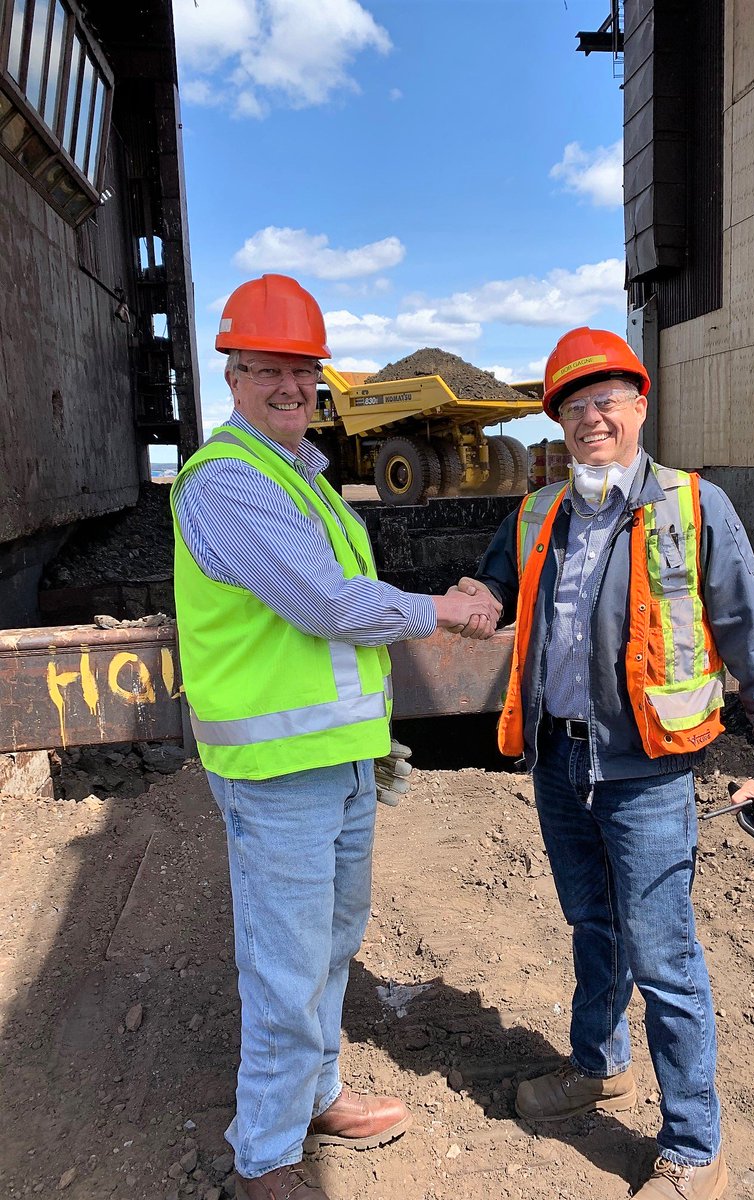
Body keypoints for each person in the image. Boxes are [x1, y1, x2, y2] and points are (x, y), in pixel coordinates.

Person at [457, 327, 754, 1200]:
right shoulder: (538, 513)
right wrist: (474, 595)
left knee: (665, 956)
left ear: (641, 406)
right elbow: (497, 586)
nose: (591, 419)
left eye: (606, 401)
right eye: (573, 408)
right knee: (592, 926)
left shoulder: (693, 508)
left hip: (647, 773)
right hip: (560, 763)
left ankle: (695, 1146)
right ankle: (599, 1064)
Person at [170, 274, 500, 1200]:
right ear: (231, 376)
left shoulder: (302, 475)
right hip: (278, 774)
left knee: (328, 946)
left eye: (301, 370)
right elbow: (323, 603)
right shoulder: (228, 480)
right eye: (266, 368)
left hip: (338, 761)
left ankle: (315, 1095)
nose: (288, 386)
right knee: (284, 965)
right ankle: (267, 1157)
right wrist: (442, 608)